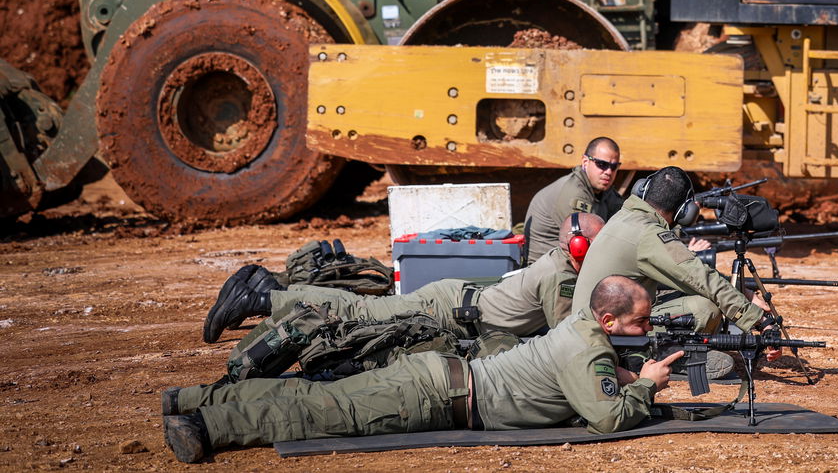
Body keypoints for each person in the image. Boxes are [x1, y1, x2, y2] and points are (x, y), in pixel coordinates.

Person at [162, 276, 683, 462]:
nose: (643, 330)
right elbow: (608, 418)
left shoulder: (580, 331)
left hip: (441, 379)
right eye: (638, 323)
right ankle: (208, 427)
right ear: (608, 317)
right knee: (321, 412)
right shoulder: (588, 350)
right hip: (437, 395)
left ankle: (191, 401)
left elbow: (592, 377)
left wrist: (627, 374)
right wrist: (649, 388)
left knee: (319, 398)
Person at [204, 214, 606, 359]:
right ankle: (259, 298)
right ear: (578, 246)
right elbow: (564, 336)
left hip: (457, 304)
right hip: (448, 310)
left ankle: (261, 288)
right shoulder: (560, 276)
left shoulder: (558, 263)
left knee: (358, 311)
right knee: (358, 313)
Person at [574, 166, 769, 337]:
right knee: (704, 309)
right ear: (684, 212)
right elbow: (700, 277)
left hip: (590, 325)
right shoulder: (649, 235)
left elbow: (694, 276)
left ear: (642, 189)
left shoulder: (625, 217)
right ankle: (662, 360)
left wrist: (742, 291)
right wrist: (757, 319)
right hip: (603, 336)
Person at [522, 136, 626, 264]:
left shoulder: (602, 190)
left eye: (614, 166)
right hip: (548, 267)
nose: (608, 172)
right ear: (585, 162)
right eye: (602, 164)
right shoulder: (574, 194)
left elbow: (625, 217)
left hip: (567, 261)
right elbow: (584, 245)